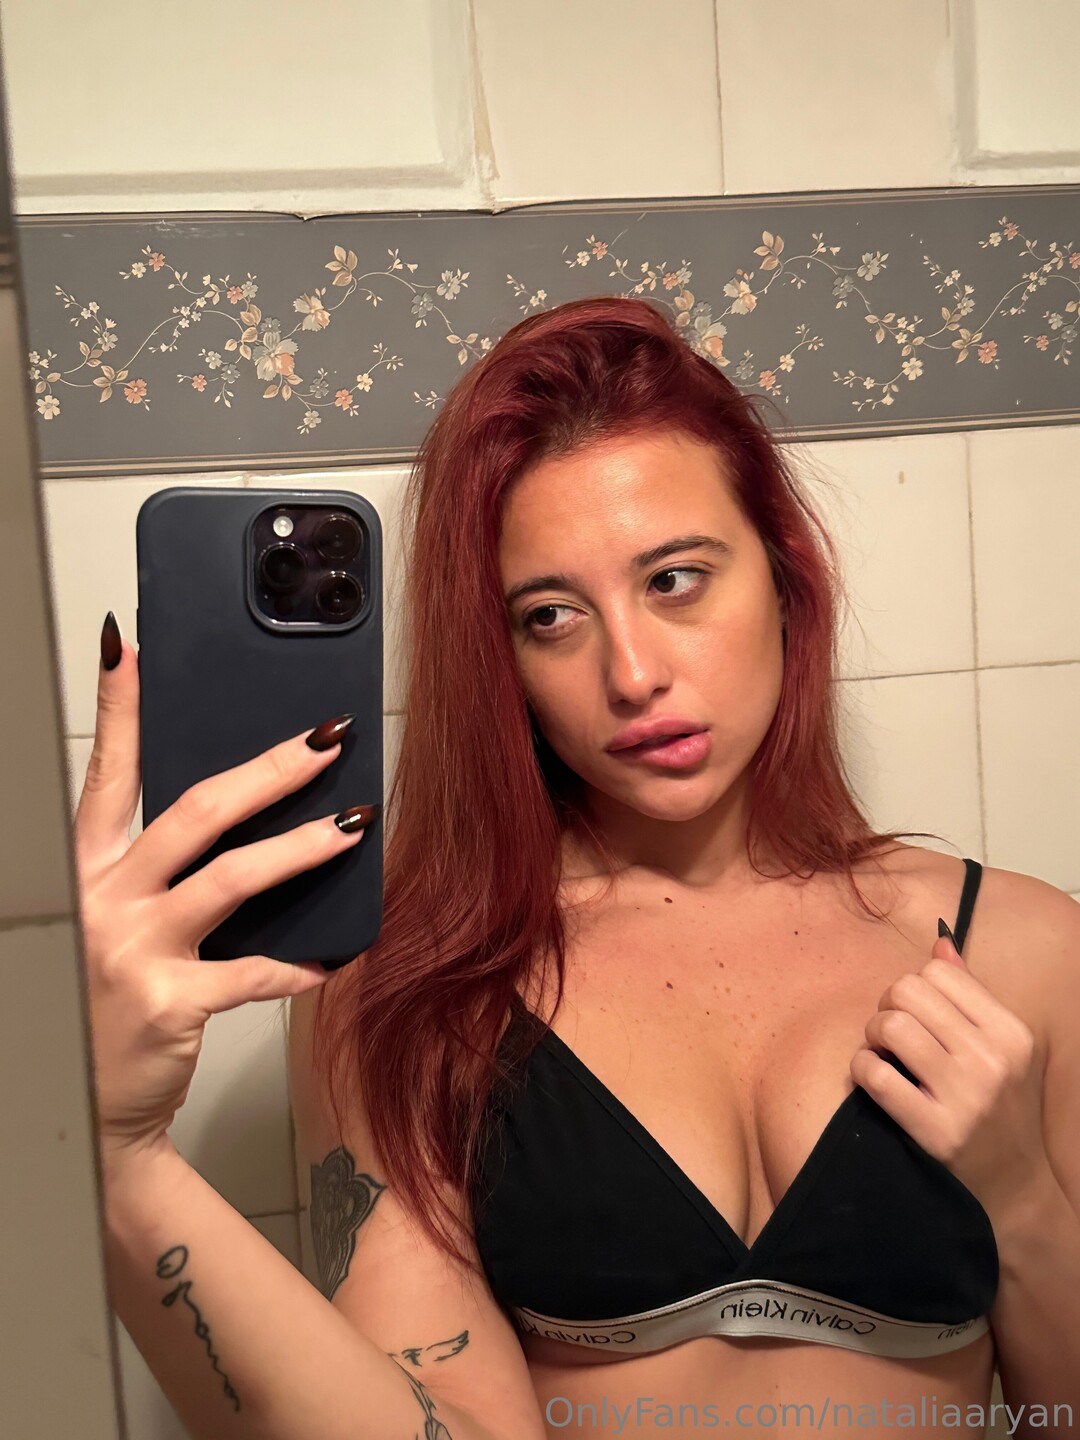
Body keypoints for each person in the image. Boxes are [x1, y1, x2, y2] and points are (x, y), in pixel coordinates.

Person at [79, 296, 1080, 1440]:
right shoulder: (413, 995)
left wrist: (1022, 1200)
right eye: (551, 615)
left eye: (674, 580)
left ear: (785, 578)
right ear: (500, 660)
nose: (633, 672)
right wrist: (123, 1160)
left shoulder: (1025, 952)